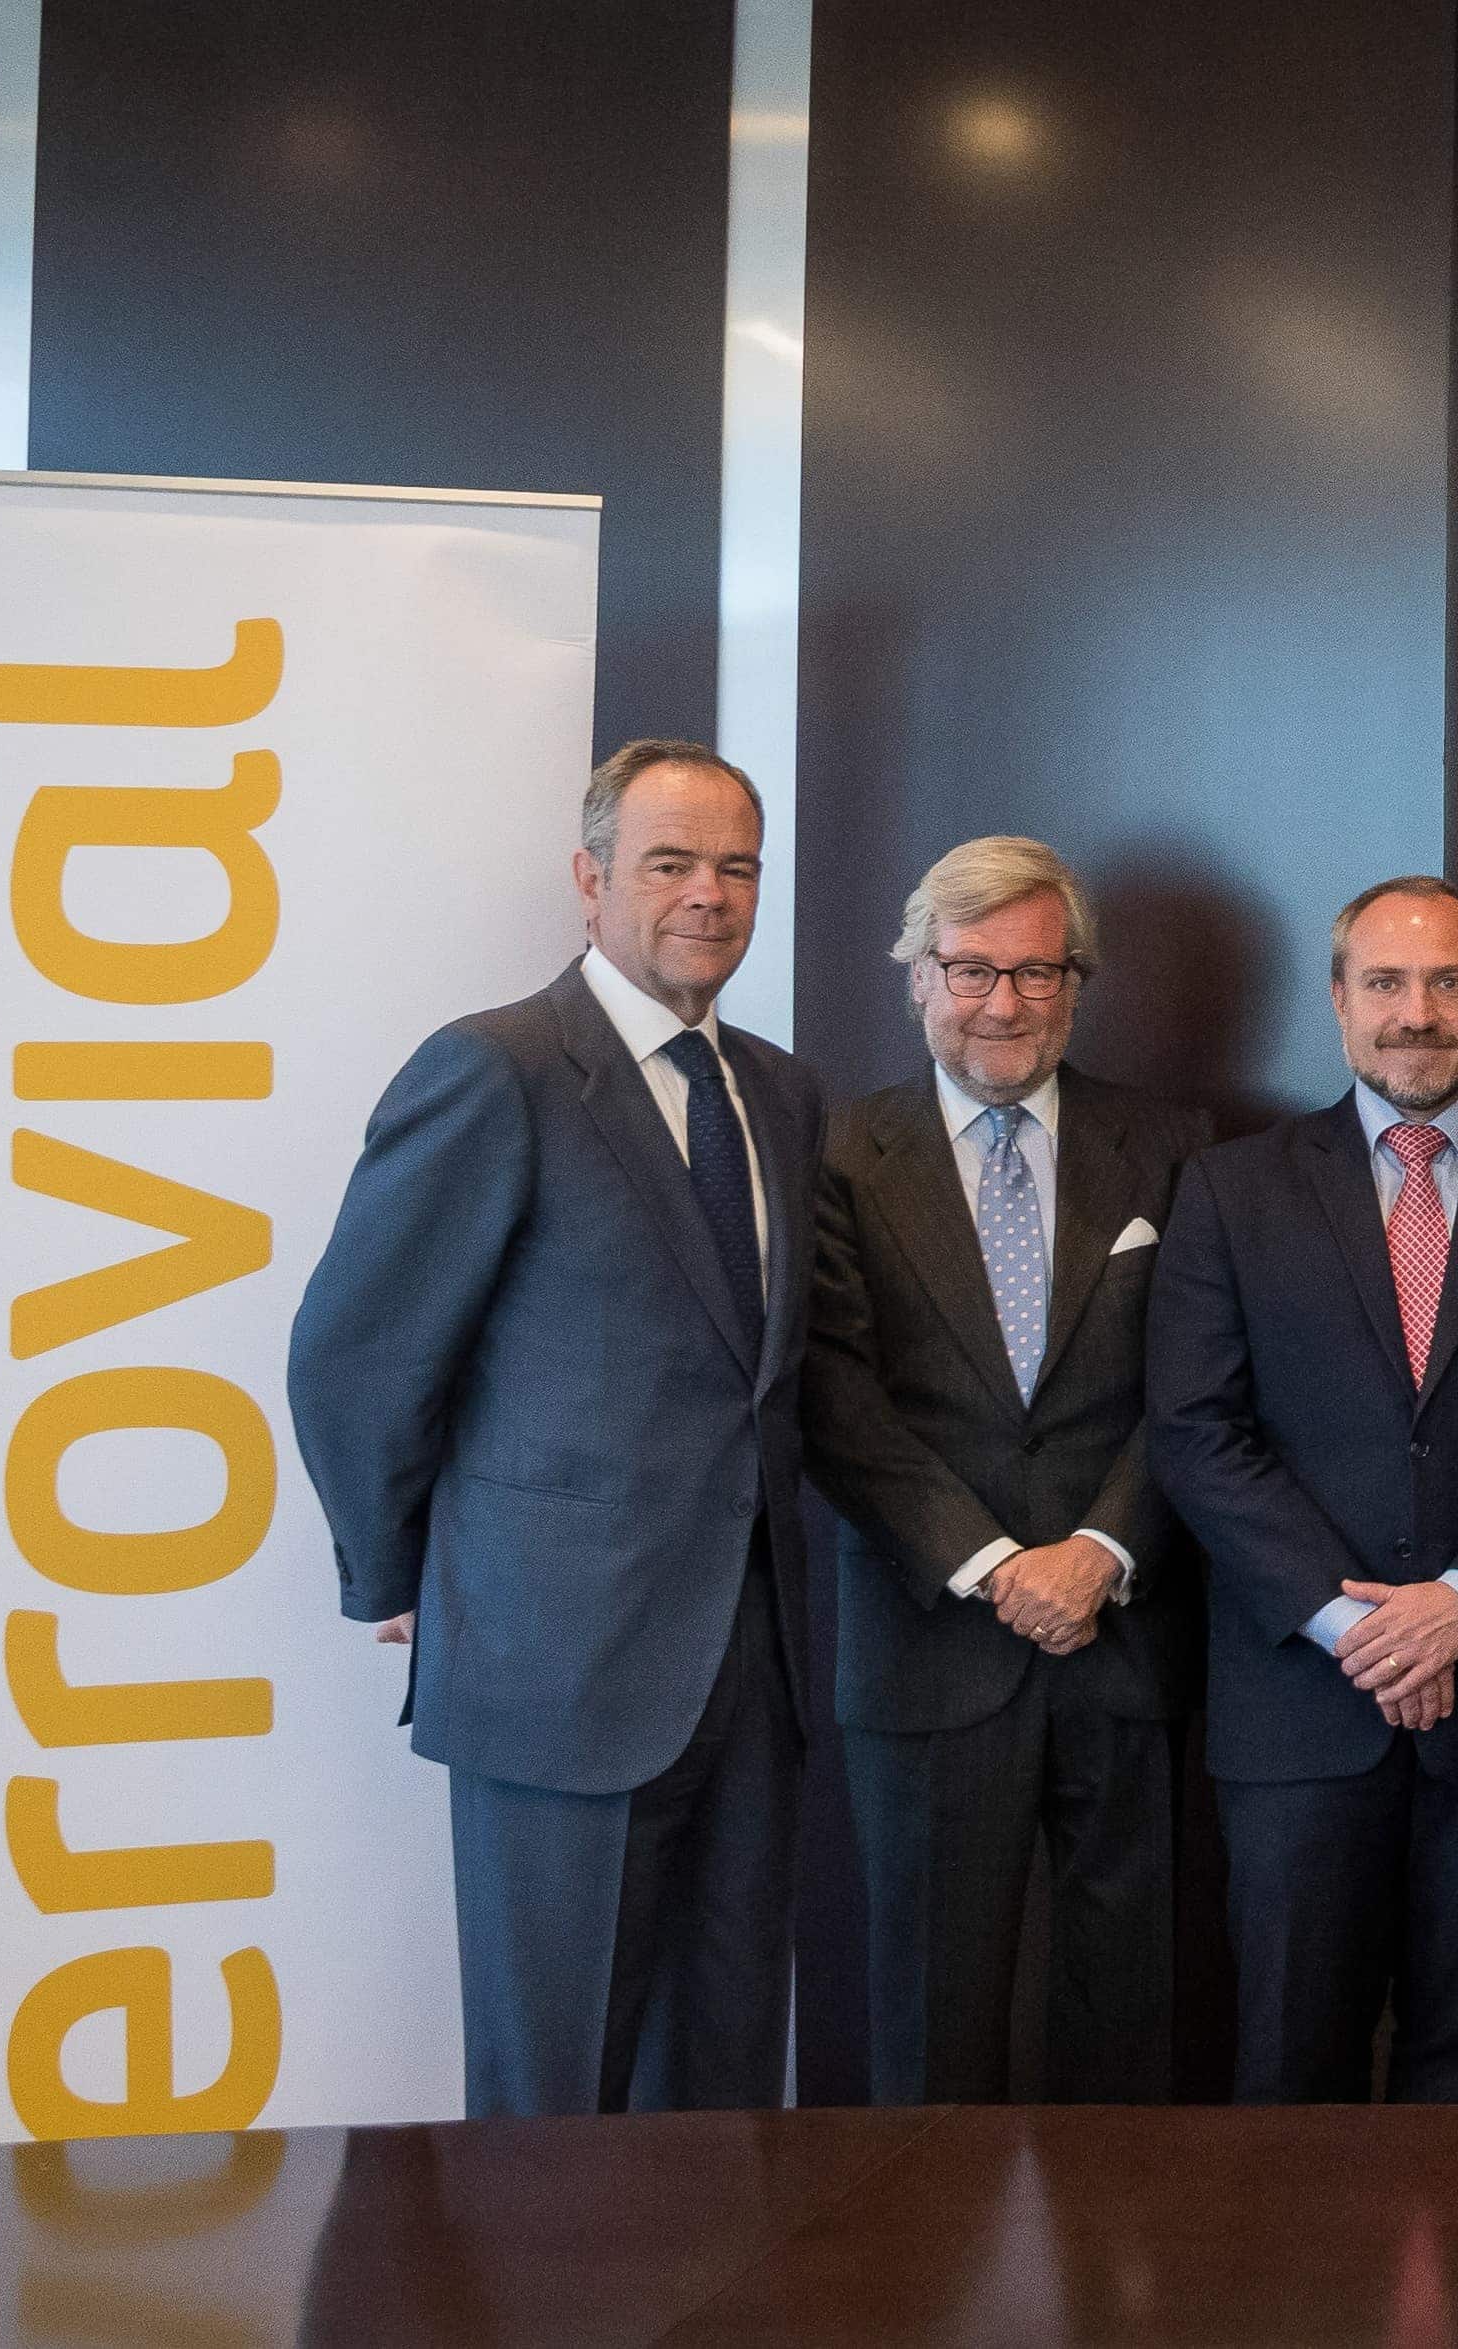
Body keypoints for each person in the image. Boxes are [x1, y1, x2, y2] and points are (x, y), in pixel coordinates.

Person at [288, 739, 824, 2116]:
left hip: (753, 1675)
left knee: (722, 2085)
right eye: (669, 862)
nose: (708, 892)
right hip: (554, 1674)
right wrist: (398, 1573)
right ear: (589, 883)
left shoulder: (778, 1091)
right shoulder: (494, 1070)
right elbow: (357, 1352)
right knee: (552, 2101)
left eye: (735, 865)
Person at [1145, 876, 1458, 2102]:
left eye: (1446, 983)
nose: (1414, 1013)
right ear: (1337, 1003)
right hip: (1297, 1714)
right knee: (1288, 2067)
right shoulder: (1232, 1190)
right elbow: (1195, 1432)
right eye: (1384, 982)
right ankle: (1301, 2305)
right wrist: (1364, 1625)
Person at [801, 836, 1217, 2105]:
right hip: (931, 1650)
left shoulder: (1171, 1146)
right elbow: (836, 1396)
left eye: (1037, 974)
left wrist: (1098, 1551)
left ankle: (1117, 2289)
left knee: (1129, 2014)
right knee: (929, 2029)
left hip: (1126, 1641)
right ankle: (928, 2289)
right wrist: (991, 1566)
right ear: (916, 978)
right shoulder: (835, 1154)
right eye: (971, 969)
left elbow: (1197, 1385)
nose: (1002, 1004)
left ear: (1077, 985)